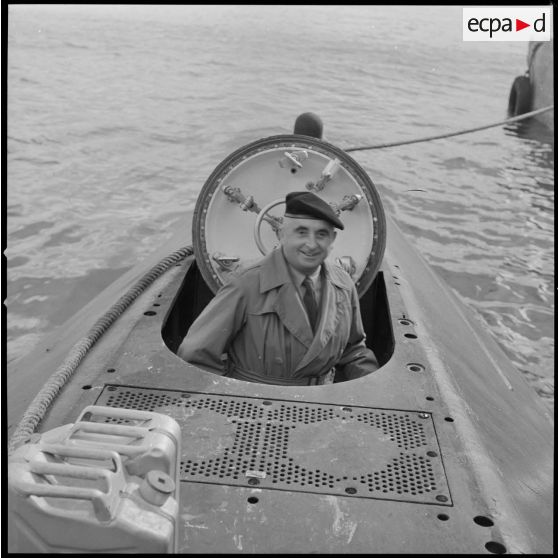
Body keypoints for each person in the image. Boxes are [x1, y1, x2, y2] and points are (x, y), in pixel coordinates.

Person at [177, 191, 379, 385]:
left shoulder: (343, 285)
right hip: (255, 407)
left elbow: (353, 351)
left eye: (321, 234)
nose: (311, 244)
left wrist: (375, 390)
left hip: (322, 407)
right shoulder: (246, 284)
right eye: (301, 232)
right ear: (282, 234)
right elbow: (195, 355)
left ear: (332, 240)